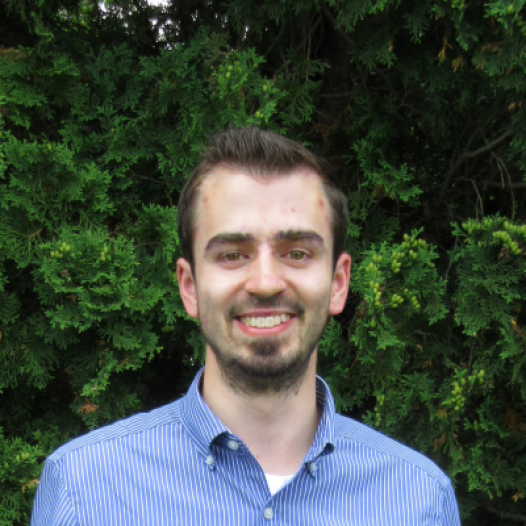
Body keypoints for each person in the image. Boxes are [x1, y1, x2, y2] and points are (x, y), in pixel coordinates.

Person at [31, 127, 461, 525]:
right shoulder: (83, 491)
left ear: (338, 283)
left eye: (296, 253)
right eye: (232, 255)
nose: (265, 283)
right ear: (189, 287)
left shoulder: (419, 500)